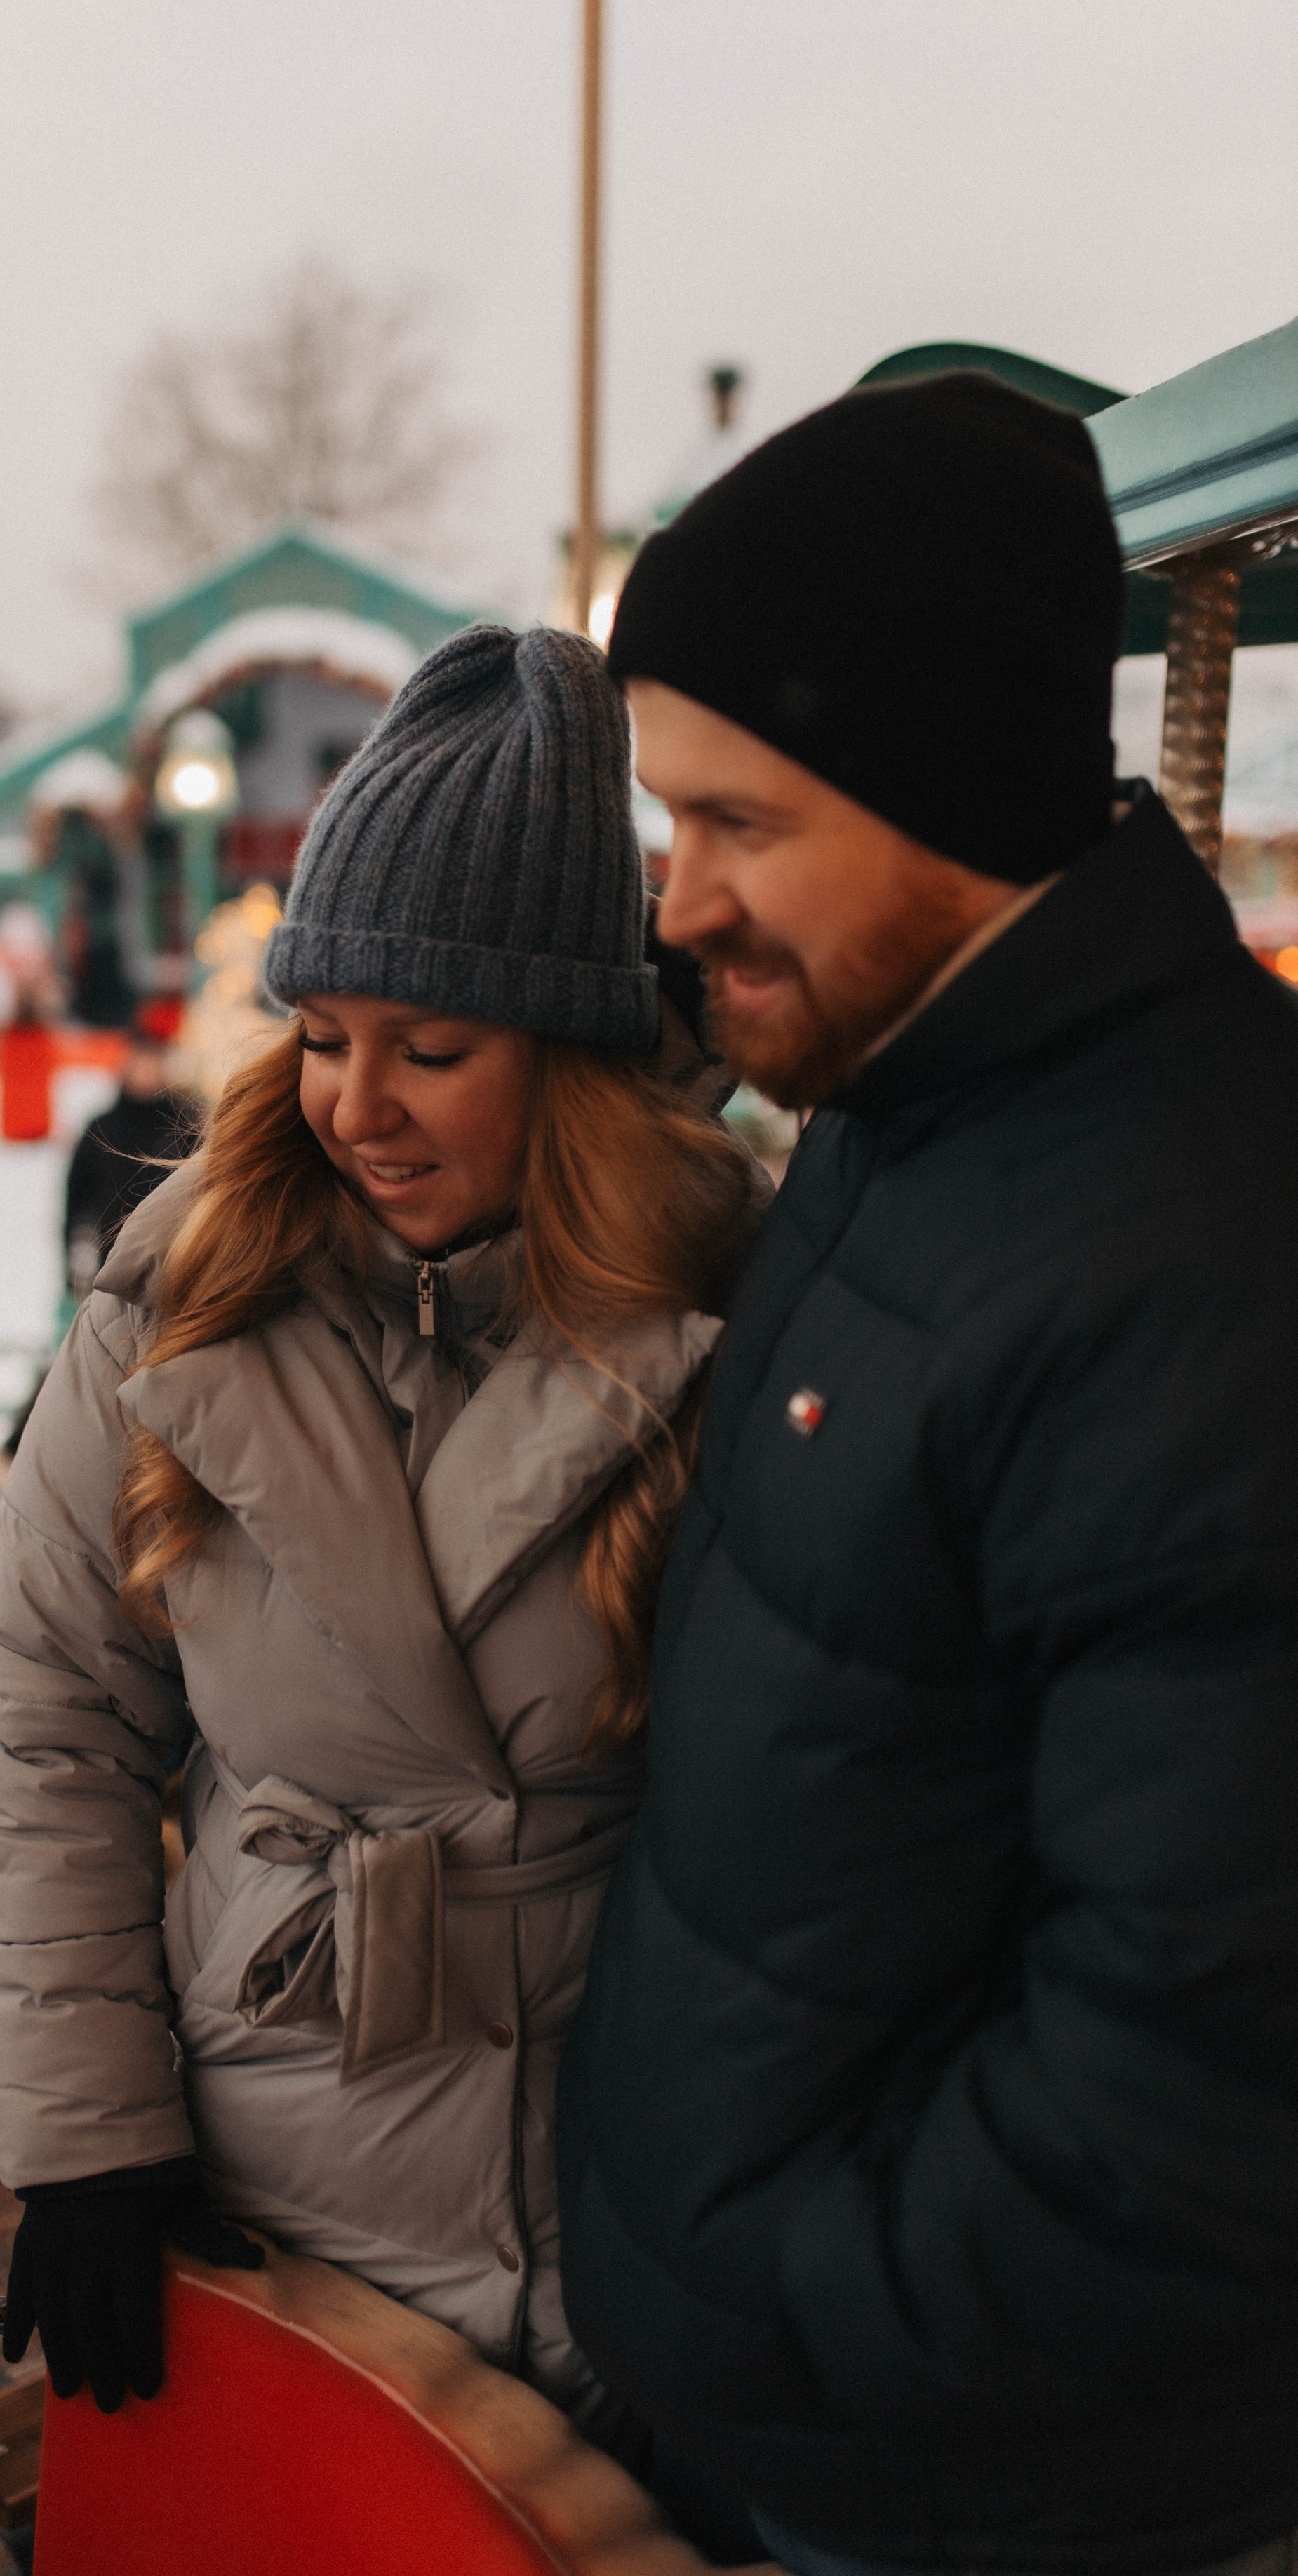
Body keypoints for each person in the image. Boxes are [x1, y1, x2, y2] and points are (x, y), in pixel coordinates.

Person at [557, 375, 1298, 2575]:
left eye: (735, 822)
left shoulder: (1188, 1251)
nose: (674, 901)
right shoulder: (908, 1100)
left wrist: (806, 2292)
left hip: (998, 2476)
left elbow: (1211, 2054)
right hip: (830, 2411)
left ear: (947, 784)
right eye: (659, 818)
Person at [0, 623, 760, 2431]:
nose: (353, 1104)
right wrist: (87, 2136)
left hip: (616, 2165)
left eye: (431, 1045)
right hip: (268, 2149)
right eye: (321, 1036)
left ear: (566, 1052)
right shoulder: (179, 1304)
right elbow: (57, 1715)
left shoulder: (730, 1302)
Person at [62, 1013, 194, 1295]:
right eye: (140, 1061)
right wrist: (72, 1261)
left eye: (154, 1061)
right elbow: (77, 1198)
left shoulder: (185, 1125)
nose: (147, 1070)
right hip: (112, 1263)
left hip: (173, 1265)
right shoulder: (102, 1128)